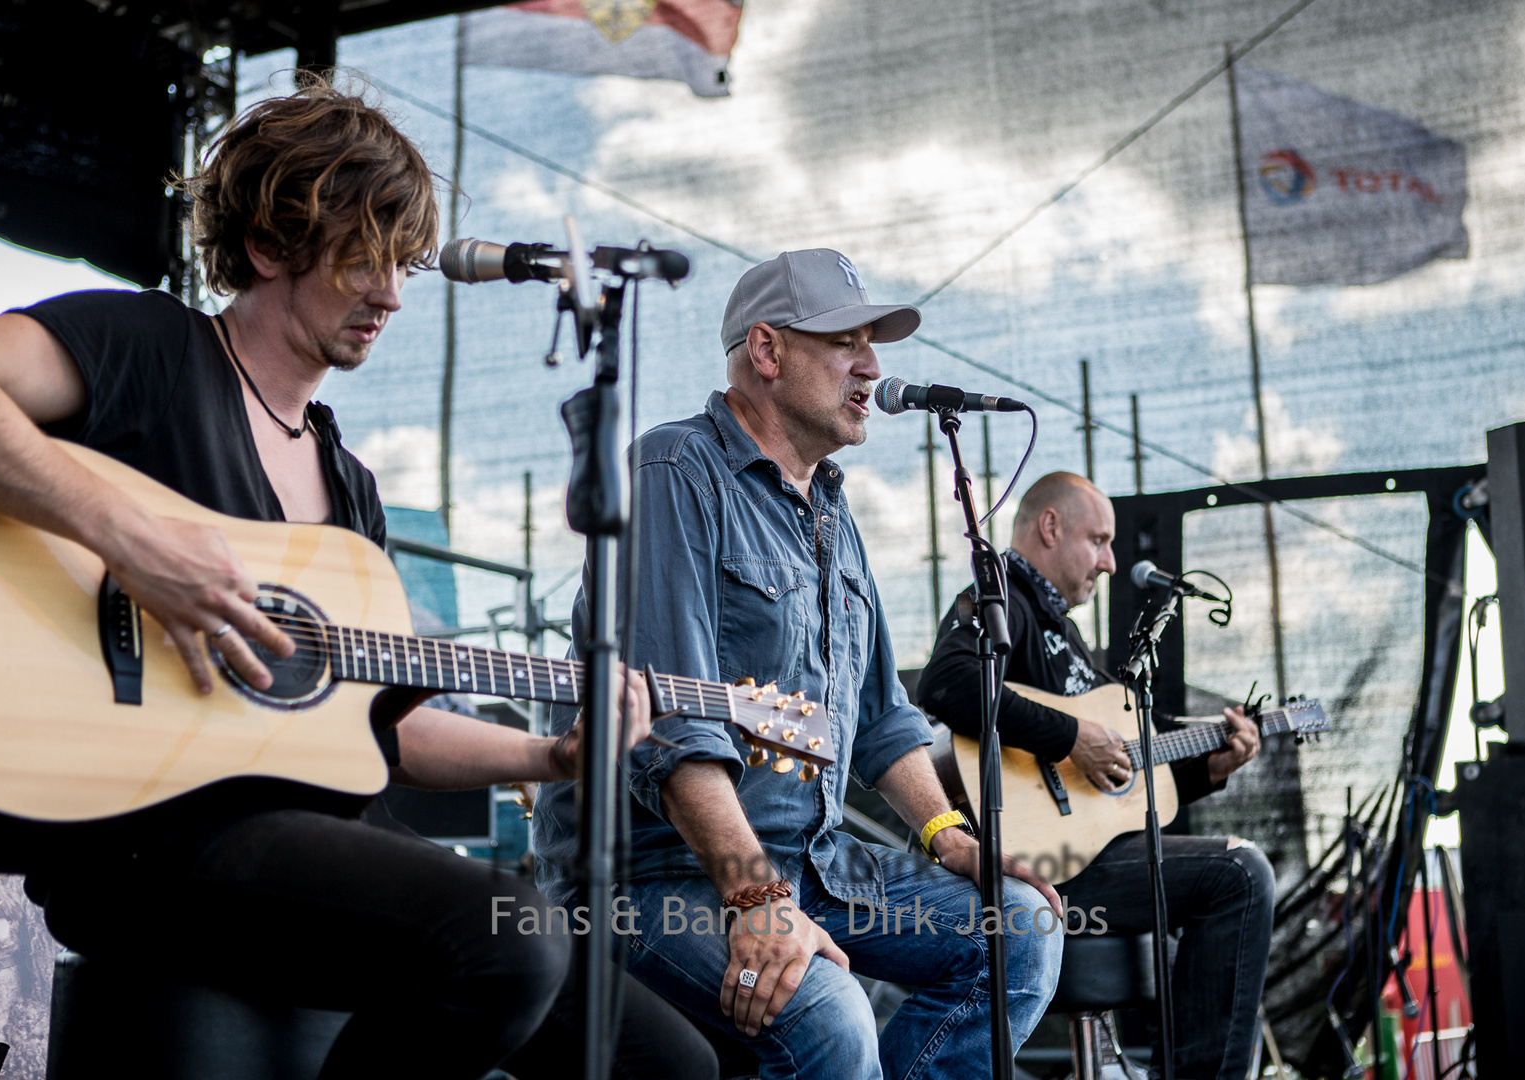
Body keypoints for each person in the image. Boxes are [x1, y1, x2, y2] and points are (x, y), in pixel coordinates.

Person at [0, 79, 714, 1080]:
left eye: (403, 263)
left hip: (304, 847)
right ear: (269, 247)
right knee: (505, 942)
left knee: (666, 1062)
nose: (393, 294)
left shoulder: (348, 488)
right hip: (144, 840)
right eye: (362, 260)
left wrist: (552, 756)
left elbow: (389, 727)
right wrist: (131, 536)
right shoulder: (148, 348)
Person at [533, 249, 1065, 1080]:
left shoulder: (832, 515)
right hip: (657, 877)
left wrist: (951, 838)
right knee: (829, 1016)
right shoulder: (672, 471)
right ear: (768, 351)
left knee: (1023, 929)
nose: (873, 366)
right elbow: (676, 728)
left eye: (874, 344)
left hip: (813, 863)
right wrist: (756, 898)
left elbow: (883, 720)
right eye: (844, 341)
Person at [917, 471, 1276, 1079]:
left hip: (1088, 855)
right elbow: (945, 684)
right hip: (1032, 865)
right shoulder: (1002, 596)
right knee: (1240, 874)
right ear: (1050, 527)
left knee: (1234, 872)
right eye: (1100, 540)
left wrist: (1211, 768)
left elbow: (1117, 788)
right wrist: (1071, 735)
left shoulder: (1069, 636)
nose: (1110, 563)